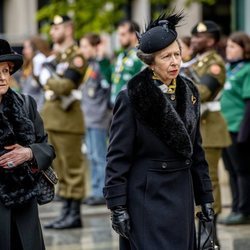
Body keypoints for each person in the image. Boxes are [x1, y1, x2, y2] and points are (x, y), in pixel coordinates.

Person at [103, 12, 214, 250]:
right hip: (147, 196)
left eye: (177, 54)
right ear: (151, 62)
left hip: (181, 194)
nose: (175, 62)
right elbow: (117, 156)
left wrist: (205, 199)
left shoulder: (189, 91)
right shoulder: (133, 96)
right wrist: (117, 207)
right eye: (166, 57)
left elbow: (197, 151)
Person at [0, 39, 55, 250]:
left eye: (5, 71)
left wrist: (29, 153)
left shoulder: (26, 104)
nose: (2, 77)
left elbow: (47, 148)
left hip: (25, 205)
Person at [185, 20, 231, 247]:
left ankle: (210, 236)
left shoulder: (215, 64)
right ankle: (201, 232)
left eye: (199, 37)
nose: (193, 40)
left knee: (209, 182)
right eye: (193, 37)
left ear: (211, 40)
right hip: (197, 128)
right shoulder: (193, 62)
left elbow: (203, 92)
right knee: (196, 182)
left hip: (210, 129)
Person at [41, 15, 87, 229]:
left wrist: (46, 79)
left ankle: (74, 215)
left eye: (56, 27)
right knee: (60, 169)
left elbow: (66, 86)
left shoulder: (76, 57)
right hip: (54, 120)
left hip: (68, 122)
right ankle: (66, 212)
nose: (52, 32)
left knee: (72, 169)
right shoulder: (57, 58)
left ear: (68, 30)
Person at [220, 32, 250, 225]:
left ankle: (244, 211)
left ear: (244, 48)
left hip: (238, 128)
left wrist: (244, 131)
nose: (228, 50)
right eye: (227, 46)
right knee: (231, 170)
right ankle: (236, 207)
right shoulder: (229, 69)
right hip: (224, 127)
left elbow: (249, 103)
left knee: (242, 171)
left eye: (233, 46)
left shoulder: (246, 69)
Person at [79, 33, 112, 206]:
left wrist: (102, 56)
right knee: (91, 156)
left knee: (99, 156)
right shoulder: (90, 65)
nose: (82, 50)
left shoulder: (101, 64)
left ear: (95, 47)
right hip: (88, 117)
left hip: (98, 117)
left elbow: (107, 88)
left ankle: (102, 192)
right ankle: (94, 189)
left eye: (85, 46)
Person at [110, 20, 144, 106]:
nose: (119, 38)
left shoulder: (142, 56)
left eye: (123, 34)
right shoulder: (121, 55)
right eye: (119, 34)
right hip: (116, 105)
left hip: (130, 106)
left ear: (133, 35)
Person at [20, 36, 51, 111]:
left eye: (27, 48)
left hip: (38, 112)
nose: (24, 51)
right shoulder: (27, 67)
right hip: (27, 111)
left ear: (36, 49)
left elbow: (45, 91)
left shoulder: (41, 64)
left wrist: (38, 114)